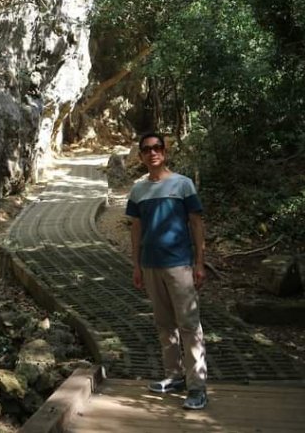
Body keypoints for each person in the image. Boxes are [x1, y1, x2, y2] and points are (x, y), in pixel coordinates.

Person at [125, 132, 208, 410]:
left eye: (157, 147)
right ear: (141, 156)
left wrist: (199, 262)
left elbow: (196, 223)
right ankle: (174, 376)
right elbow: (136, 229)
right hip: (151, 265)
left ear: (165, 151)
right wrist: (136, 265)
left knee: (189, 324)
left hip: (179, 264)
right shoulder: (138, 190)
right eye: (147, 149)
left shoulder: (183, 184)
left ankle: (197, 387)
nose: (153, 153)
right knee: (164, 324)